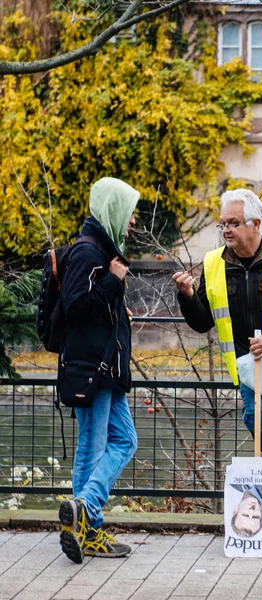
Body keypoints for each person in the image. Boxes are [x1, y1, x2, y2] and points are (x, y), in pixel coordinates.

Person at [173, 188, 262, 467]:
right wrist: (187, 296)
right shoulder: (213, 263)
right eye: (223, 224)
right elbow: (203, 322)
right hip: (251, 368)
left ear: (256, 224)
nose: (226, 230)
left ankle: (261, 508)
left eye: (233, 223)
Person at [58, 177, 139, 563]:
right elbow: (76, 306)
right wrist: (112, 281)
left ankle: (84, 511)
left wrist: (115, 305)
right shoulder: (89, 253)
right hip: (93, 369)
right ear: (113, 210)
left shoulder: (102, 250)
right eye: (129, 212)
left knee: (125, 440)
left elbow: (94, 307)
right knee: (92, 448)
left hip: (106, 368)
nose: (133, 222)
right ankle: (87, 524)